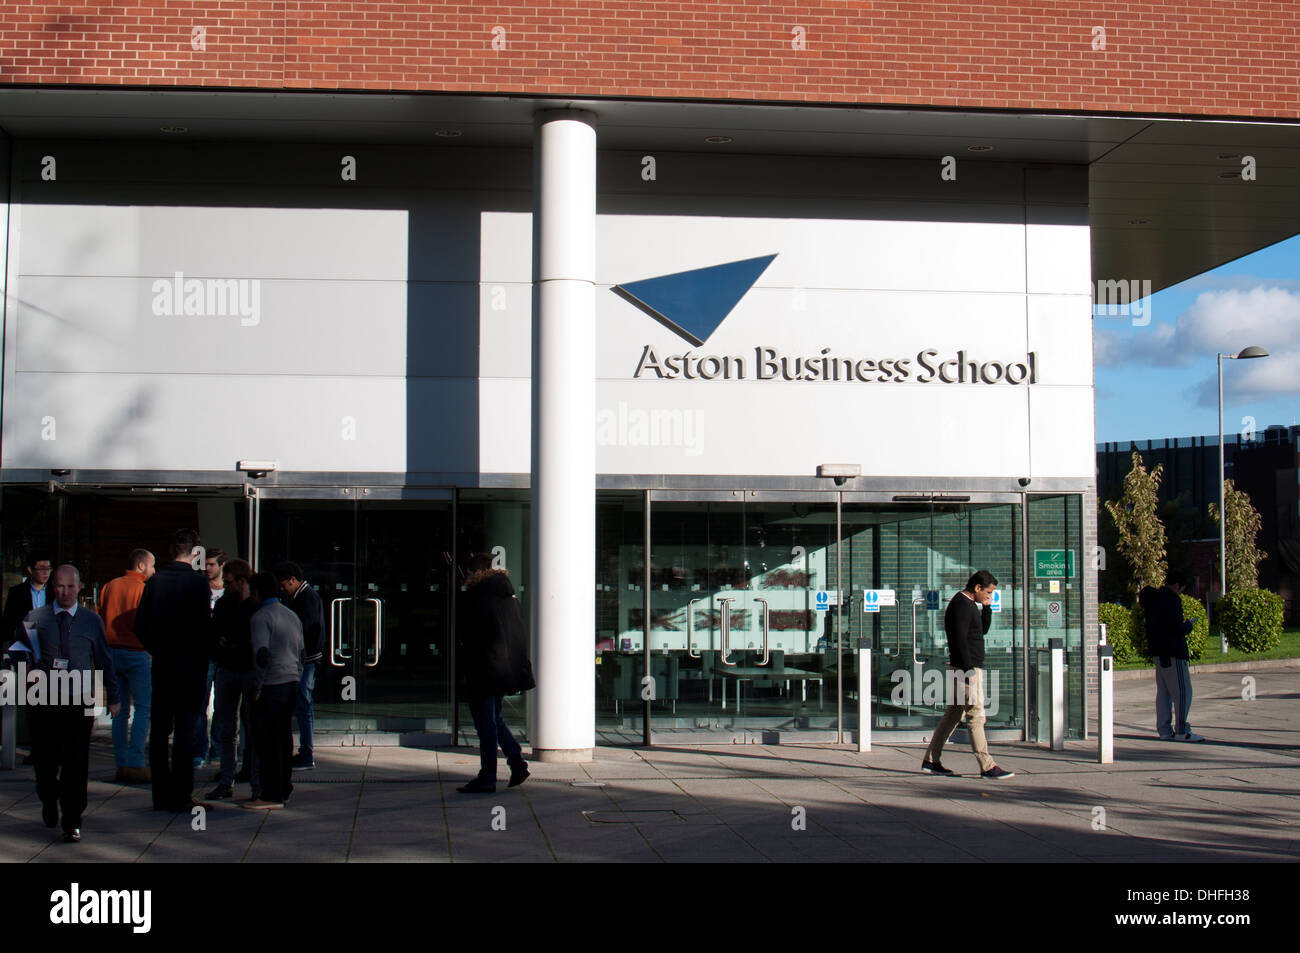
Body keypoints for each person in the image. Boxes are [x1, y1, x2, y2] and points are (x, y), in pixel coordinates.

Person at [25, 565, 120, 843]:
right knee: (44, 761)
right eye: (59, 586)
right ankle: (48, 797)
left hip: (79, 699)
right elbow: (21, 652)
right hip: (44, 697)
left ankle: (72, 820)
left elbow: (104, 659)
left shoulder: (92, 621)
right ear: (53, 587)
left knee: (76, 763)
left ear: (79, 588)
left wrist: (113, 696)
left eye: (70, 587)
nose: (65, 592)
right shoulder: (36, 618)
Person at [134, 528, 214, 812]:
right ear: (195, 553)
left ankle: (161, 793)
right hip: (190, 666)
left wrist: (158, 649)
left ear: (171, 551)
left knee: (159, 731)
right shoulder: (197, 584)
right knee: (185, 731)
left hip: (164, 665)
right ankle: (181, 793)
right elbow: (205, 629)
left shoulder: (155, 583)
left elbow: (140, 625)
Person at [921, 570, 1015, 780]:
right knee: (975, 715)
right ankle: (987, 765)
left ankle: (931, 761)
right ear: (977, 588)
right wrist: (968, 668)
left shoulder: (970, 604)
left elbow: (981, 630)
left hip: (965, 668)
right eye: (988, 592)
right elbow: (959, 640)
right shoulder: (961, 605)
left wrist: (987, 608)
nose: (989, 596)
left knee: (953, 714)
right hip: (966, 669)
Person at [455, 553, 534, 793]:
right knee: (495, 720)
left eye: (467, 574)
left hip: (484, 668)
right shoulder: (509, 597)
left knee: (485, 724)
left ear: (476, 573)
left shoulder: (478, 598)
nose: (465, 579)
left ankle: (488, 776)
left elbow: (470, 638)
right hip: (503, 669)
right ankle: (517, 763)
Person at [242, 571, 303, 810]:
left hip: (270, 684)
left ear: (256, 592)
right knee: (283, 738)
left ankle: (271, 794)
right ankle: (283, 787)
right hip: (290, 681)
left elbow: (261, 655)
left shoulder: (260, 618)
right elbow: (300, 650)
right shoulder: (291, 615)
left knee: (266, 740)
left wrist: (256, 687)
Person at [96, 548, 156, 783]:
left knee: (118, 710)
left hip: (111, 652)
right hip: (137, 652)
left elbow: (100, 617)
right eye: (152, 566)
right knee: (143, 708)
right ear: (141, 566)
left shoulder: (110, 586)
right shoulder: (144, 589)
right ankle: (135, 762)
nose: (154, 571)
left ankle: (121, 763)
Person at [207, 558, 259, 800]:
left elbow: (244, 640)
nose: (225, 587)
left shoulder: (253, 605)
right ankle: (228, 779)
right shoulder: (227, 604)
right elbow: (216, 637)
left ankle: (253, 781)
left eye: (229, 582)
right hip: (230, 668)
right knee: (228, 728)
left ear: (241, 581)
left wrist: (228, 644)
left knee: (249, 727)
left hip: (244, 669)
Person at [1139, 570, 1202, 742]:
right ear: (1177, 586)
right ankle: (1182, 730)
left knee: (1163, 694)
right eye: (1181, 589)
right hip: (1174, 653)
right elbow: (1175, 628)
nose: (1180, 592)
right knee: (1183, 692)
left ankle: (1164, 730)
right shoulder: (1172, 601)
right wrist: (1188, 625)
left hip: (1159, 653)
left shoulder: (1152, 600)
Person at [273, 561, 323, 770]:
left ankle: (306, 752)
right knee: (302, 703)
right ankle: (304, 751)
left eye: (284, 584)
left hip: (306, 658)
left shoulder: (306, 597)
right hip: (305, 657)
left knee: (303, 703)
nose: (283, 589)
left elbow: (308, 626)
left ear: (293, 580)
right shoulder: (298, 597)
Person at [194, 548, 227, 770]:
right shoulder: (198, 590)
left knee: (222, 706)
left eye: (212, 564)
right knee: (199, 704)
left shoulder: (228, 593)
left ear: (222, 566)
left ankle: (217, 749)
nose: (207, 568)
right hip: (203, 653)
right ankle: (199, 751)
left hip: (223, 656)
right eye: (205, 564)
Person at [3, 552, 53, 641]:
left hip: (50, 642)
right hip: (25, 642)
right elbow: (8, 624)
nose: (46, 572)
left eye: (48, 568)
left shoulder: (54, 591)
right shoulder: (17, 592)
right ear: (30, 570)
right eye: (41, 568)